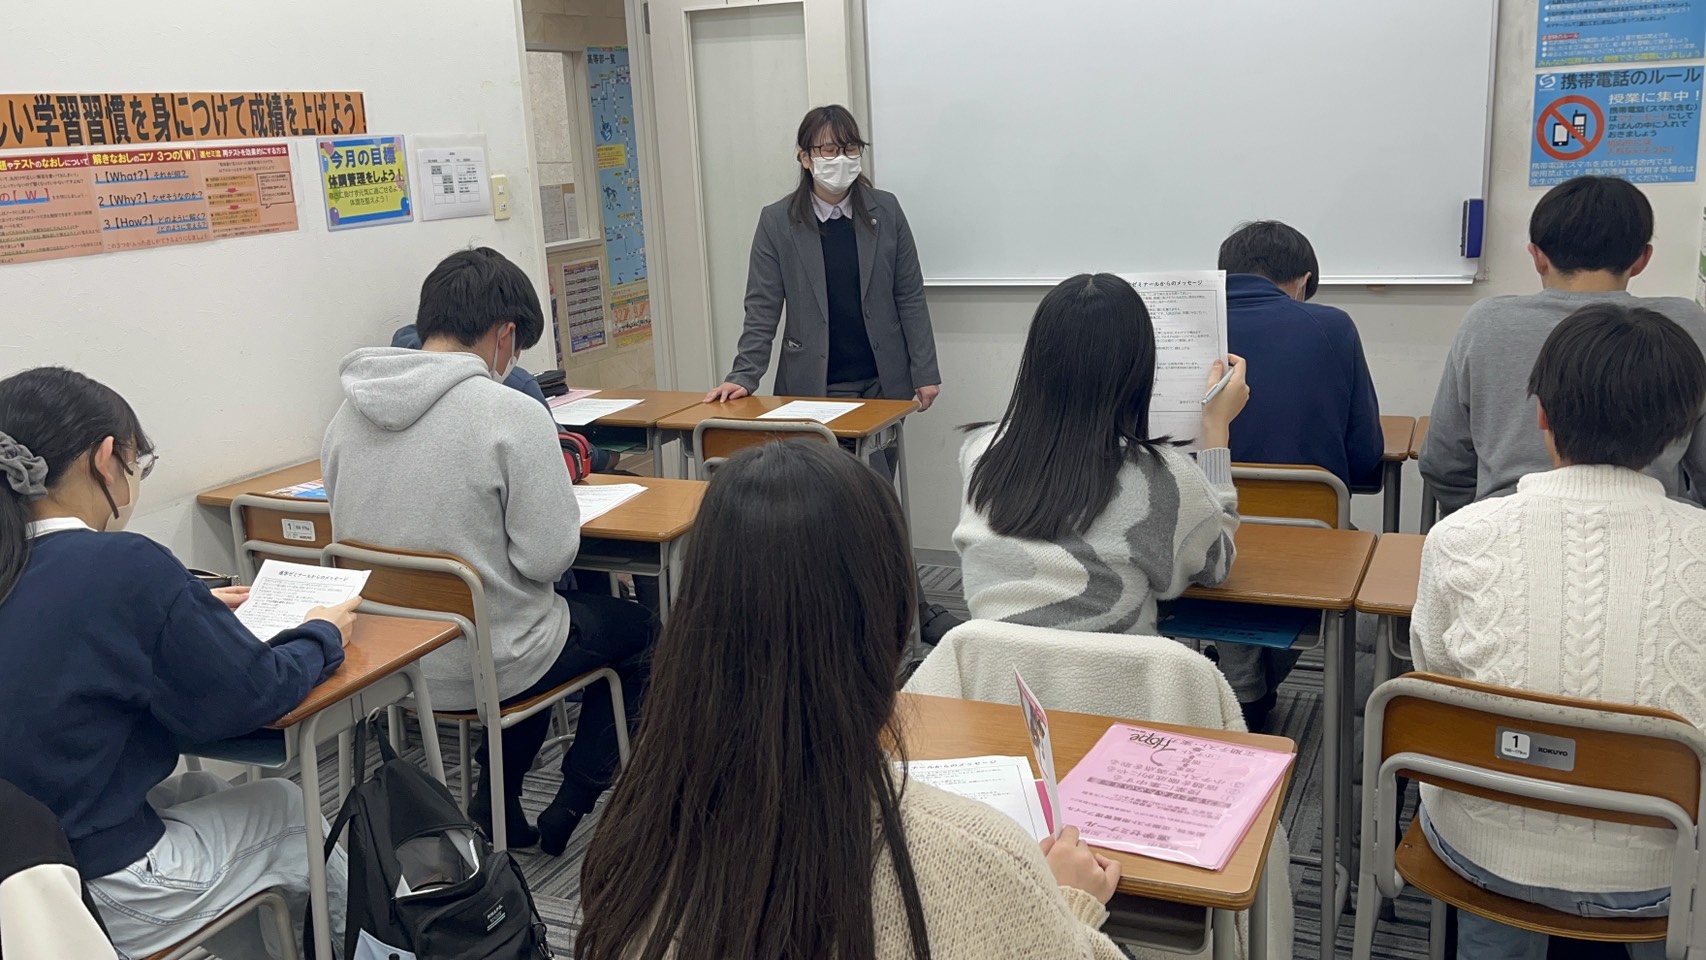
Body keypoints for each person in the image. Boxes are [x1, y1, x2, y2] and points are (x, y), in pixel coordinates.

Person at [575, 441, 1127, 960]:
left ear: (696, 611)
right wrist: (1070, 904)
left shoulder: (630, 844)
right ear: (891, 624)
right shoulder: (980, 859)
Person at [0, 367, 357, 960]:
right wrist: (322, 633)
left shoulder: (20, 563)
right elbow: (252, 693)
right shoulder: (124, 564)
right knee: (286, 808)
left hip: (20, 875)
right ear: (106, 459)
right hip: (86, 894)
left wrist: (184, 604)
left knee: (199, 787)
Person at [322, 247, 652, 856]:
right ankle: (571, 802)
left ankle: (497, 800)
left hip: (392, 664)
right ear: (504, 335)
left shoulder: (347, 415)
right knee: (639, 633)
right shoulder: (512, 413)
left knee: (526, 621)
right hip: (489, 661)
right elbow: (547, 560)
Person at [1412, 303, 1706, 960]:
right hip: (1666, 869)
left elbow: (1435, 684)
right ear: (1681, 432)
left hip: (1486, 852)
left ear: (1540, 415)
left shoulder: (1457, 538)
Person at [952, 274, 1278, 726]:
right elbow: (1216, 567)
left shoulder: (979, 452)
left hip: (994, 700)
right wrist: (1216, 433)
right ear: (1139, 369)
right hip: (1117, 711)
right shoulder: (1163, 475)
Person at [1421, 175, 1706, 513]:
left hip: (1505, 526)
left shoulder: (1486, 322)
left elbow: (1444, 462)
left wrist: (1481, 517)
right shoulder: (1685, 324)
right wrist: (1682, 522)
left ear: (1537, 256)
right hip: (1657, 526)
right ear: (1643, 258)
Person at [705, 103, 942, 474]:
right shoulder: (777, 221)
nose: (841, 159)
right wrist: (743, 375)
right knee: (844, 487)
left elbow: (909, 294)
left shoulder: (886, 210)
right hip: (817, 384)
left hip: (884, 381)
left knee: (876, 482)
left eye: (850, 148)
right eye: (829, 150)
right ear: (805, 158)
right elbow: (762, 307)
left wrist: (925, 371)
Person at [1219, 220, 1383, 490]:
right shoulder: (1333, 327)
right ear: (1304, 282)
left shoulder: (1175, 326)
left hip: (1196, 510)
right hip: (1311, 509)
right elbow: (1364, 453)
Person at [389, 322, 617, 473]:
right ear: (505, 335)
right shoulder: (516, 385)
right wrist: (608, 456)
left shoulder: (394, 368)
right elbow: (560, 450)